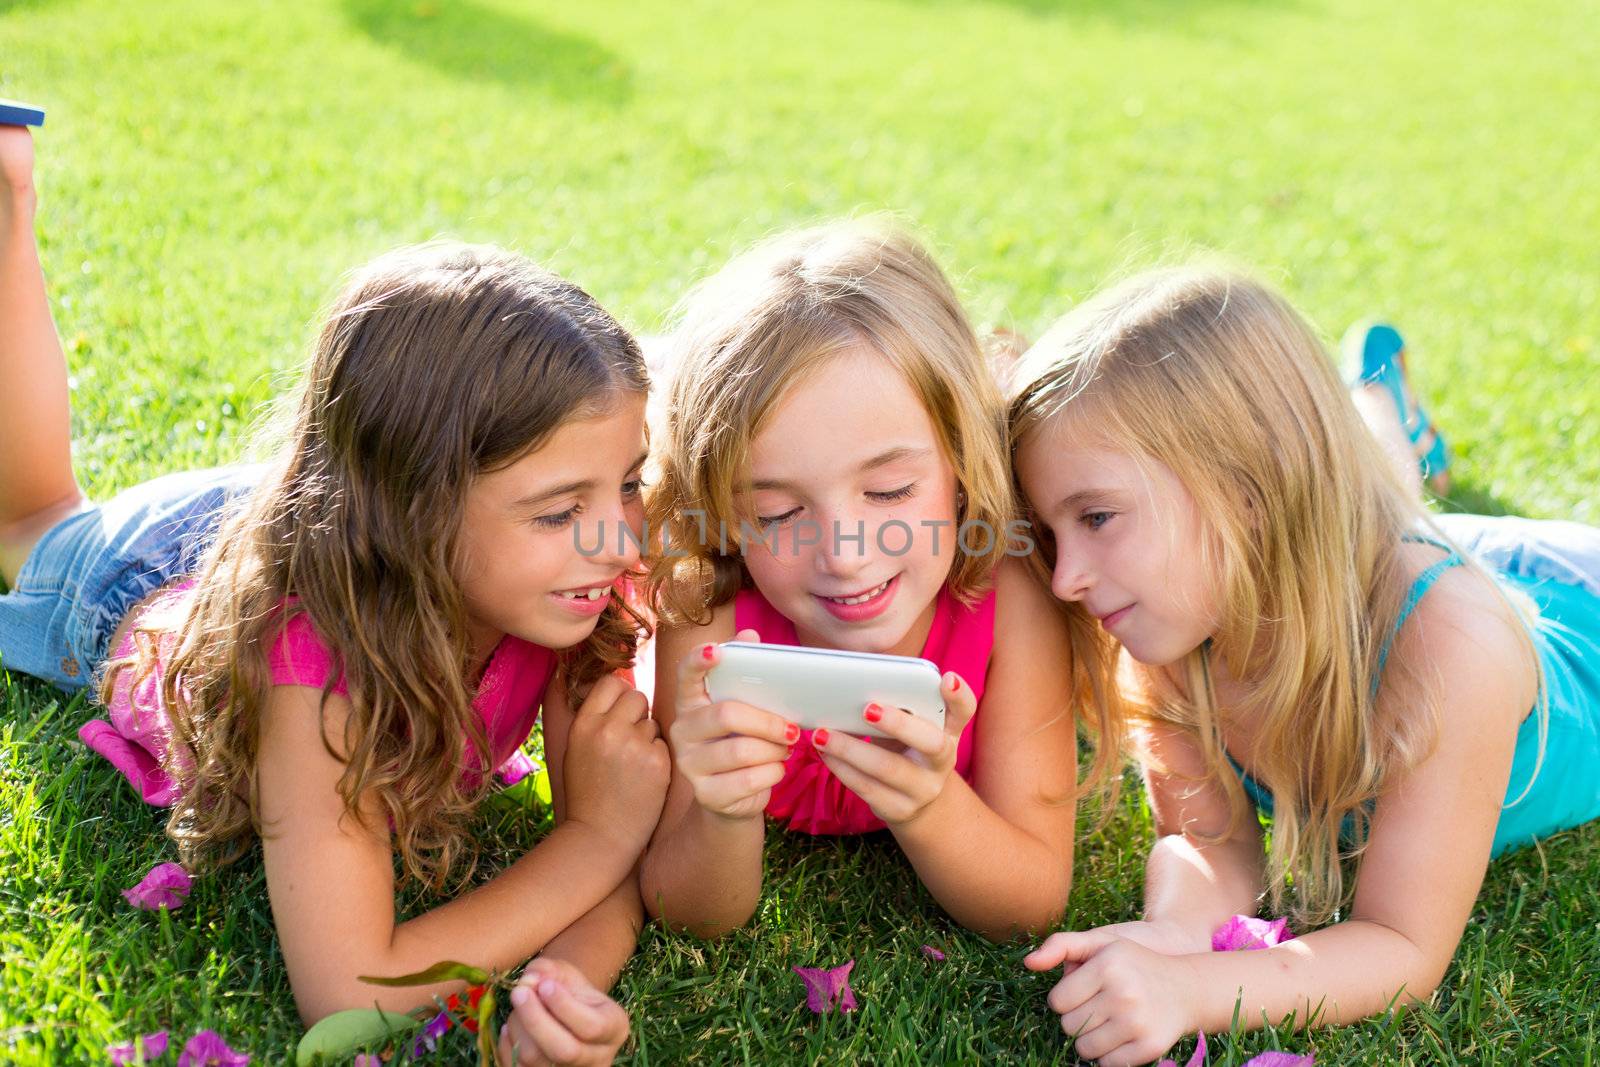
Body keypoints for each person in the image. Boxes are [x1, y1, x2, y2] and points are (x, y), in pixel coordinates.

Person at [0, 123, 665, 1064]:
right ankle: (7, 204)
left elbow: (617, 869)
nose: (618, 538)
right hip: (132, 581)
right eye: (562, 509)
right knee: (31, 516)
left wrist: (565, 989)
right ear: (414, 513)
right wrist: (597, 838)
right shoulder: (317, 675)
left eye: (628, 483)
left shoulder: (568, 586)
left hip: (299, 514)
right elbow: (348, 991)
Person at [1008, 264, 1600, 1066]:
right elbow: (1210, 841)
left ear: (1246, 487)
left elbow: (1401, 944)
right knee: (1386, 492)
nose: (1064, 577)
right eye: (1051, 530)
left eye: (1098, 516)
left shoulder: (1453, 647)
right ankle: (1379, 407)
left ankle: (1377, 399)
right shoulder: (1172, 620)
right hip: (1342, 561)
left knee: (1399, 508)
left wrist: (1197, 989)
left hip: (1567, 605)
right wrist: (1175, 932)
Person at [638, 221, 1114, 940]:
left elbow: (1033, 898)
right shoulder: (709, 608)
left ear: (961, 462)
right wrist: (720, 810)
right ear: (725, 513)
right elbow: (690, 913)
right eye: (778, 509)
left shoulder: (1008, 595)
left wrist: (930, 806)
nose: (846, 552)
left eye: (890, 490)